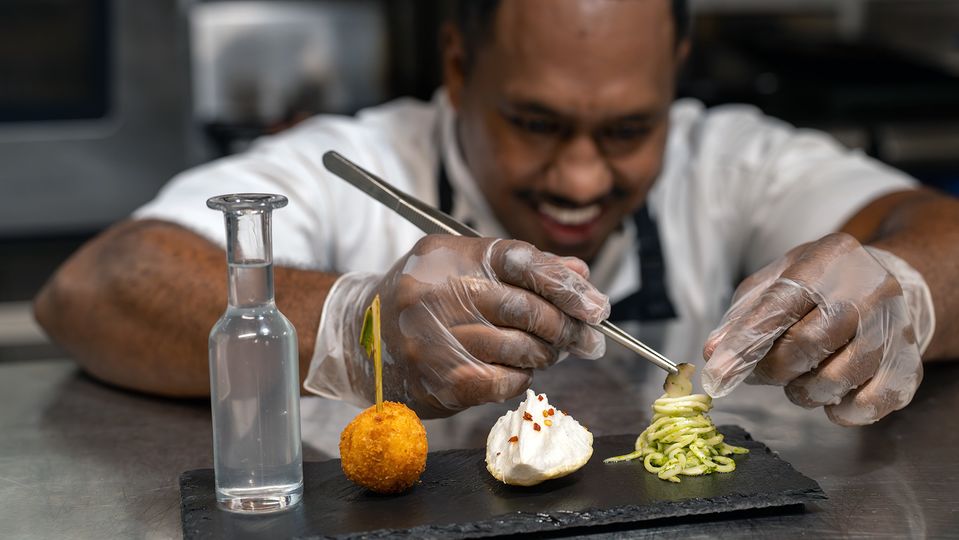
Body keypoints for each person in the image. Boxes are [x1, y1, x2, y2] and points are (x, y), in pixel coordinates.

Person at [35, 0, 959, 425]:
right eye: (534, 122)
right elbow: (92, 287)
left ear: (673, 77)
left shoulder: (729, 159)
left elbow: (936, 229)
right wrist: (355, 325)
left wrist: (900, 291)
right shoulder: (362, 158)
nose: (581, 178)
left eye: (629, 129)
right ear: (457, 67)